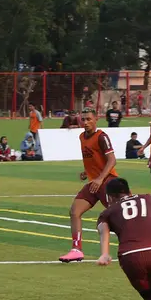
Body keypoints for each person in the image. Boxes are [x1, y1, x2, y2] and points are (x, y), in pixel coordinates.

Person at [59, 110, 119, 263]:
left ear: (96, 120)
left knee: (120, 216)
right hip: (94, 182)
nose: (85, 122)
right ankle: (76, 249)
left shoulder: (102, 137)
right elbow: (93, 159)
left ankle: (137, 243)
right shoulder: (81, 137)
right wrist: (87, 172)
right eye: (83, 119)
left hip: (107, 182)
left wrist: (100, 178)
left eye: (88, 119)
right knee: (74, 211)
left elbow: (112, 160)